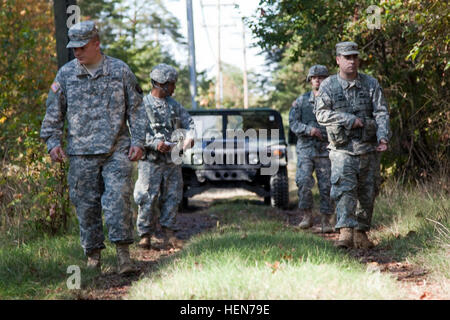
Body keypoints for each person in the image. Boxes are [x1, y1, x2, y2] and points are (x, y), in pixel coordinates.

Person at [40, 21, 148, 274]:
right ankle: (93, 258)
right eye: (74, 48)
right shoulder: (66, 75)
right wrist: (52, 142)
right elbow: (53, 113)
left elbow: (136, 109)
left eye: (82, 47)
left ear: (96, 44)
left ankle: (124, 257)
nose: (77, 52)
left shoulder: (119, 70)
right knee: (86, 206)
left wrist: (139, 141)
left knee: (118, 202)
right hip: (80, 154)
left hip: (116, 151)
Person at [315, 41, 390, 249]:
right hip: (342, 149)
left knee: (368, 191)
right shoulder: (328, 85)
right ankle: (345, 232)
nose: (351, 61)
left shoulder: (370, 83)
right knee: (344, 189)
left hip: (368, 147)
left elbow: (381, 112)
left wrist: (383, 137)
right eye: (347, 57)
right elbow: (321, 114)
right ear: (338, 60)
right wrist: (347, 119)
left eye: (354, 57)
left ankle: (361, 232)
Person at [134, 63, 195, 250]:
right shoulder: (142, 105)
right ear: (161, 84)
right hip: (150, 161)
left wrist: (189, 138)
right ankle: (145, 235)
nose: (174, 87)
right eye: (172, 84)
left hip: (171, 161)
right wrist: (154, 143)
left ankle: (169, 234)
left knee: (172, 196)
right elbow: (136, 131)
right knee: (146, 197)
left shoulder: (173, 105)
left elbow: (189, 123)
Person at [289, 65, 335, 233]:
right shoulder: (301, 102)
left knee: (327, 186)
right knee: (303, 182)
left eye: (321, 77)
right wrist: (309, 130)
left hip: (325, 150)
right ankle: (307, 216)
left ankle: (326, 220)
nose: (317, 80)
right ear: (310, 80)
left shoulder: (333, 100)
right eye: (314, 77)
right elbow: (293, 123)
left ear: (326, 80)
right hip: (306, 150)